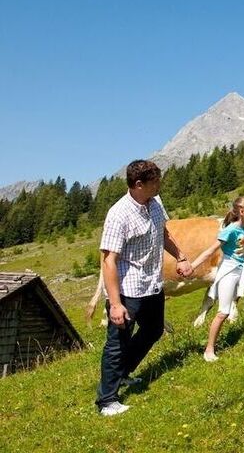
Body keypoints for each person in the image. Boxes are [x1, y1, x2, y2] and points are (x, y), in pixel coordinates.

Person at [95, 160, 192, 416]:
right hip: (127, 290)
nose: (159, 185)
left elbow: (163, 233)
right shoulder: (119, 214)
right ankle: (107, 401)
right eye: (155, 181)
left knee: (153, 329)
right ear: (139, 184)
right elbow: (108, 261)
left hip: (152, 283)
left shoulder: (155, 202)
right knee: (117, 343)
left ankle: (123, 372)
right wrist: (115, 304)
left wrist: (181, 257)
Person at [189, 196, 244, 362]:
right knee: (223, 312)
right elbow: (210, 251)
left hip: (242, 269)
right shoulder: (229, 231)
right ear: (242, 212)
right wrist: (192, 266)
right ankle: (209, 350)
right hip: (228, 272)